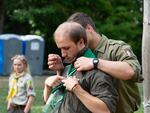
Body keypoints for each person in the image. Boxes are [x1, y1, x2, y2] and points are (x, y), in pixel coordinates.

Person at [47, 12, 142, 113]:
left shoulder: (115, 48)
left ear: (89, 28)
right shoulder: (76, 52)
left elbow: (131, 71)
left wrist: (95, 62)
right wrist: (61, 71)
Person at [43, 22, 118, 113]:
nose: (62, 54)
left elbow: (106, 110)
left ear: (81, 42)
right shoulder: (67, 69)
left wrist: (76, 89)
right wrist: (48, 85)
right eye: (60, 48)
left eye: (66, 48)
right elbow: (52, 105)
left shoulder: (97, 71)